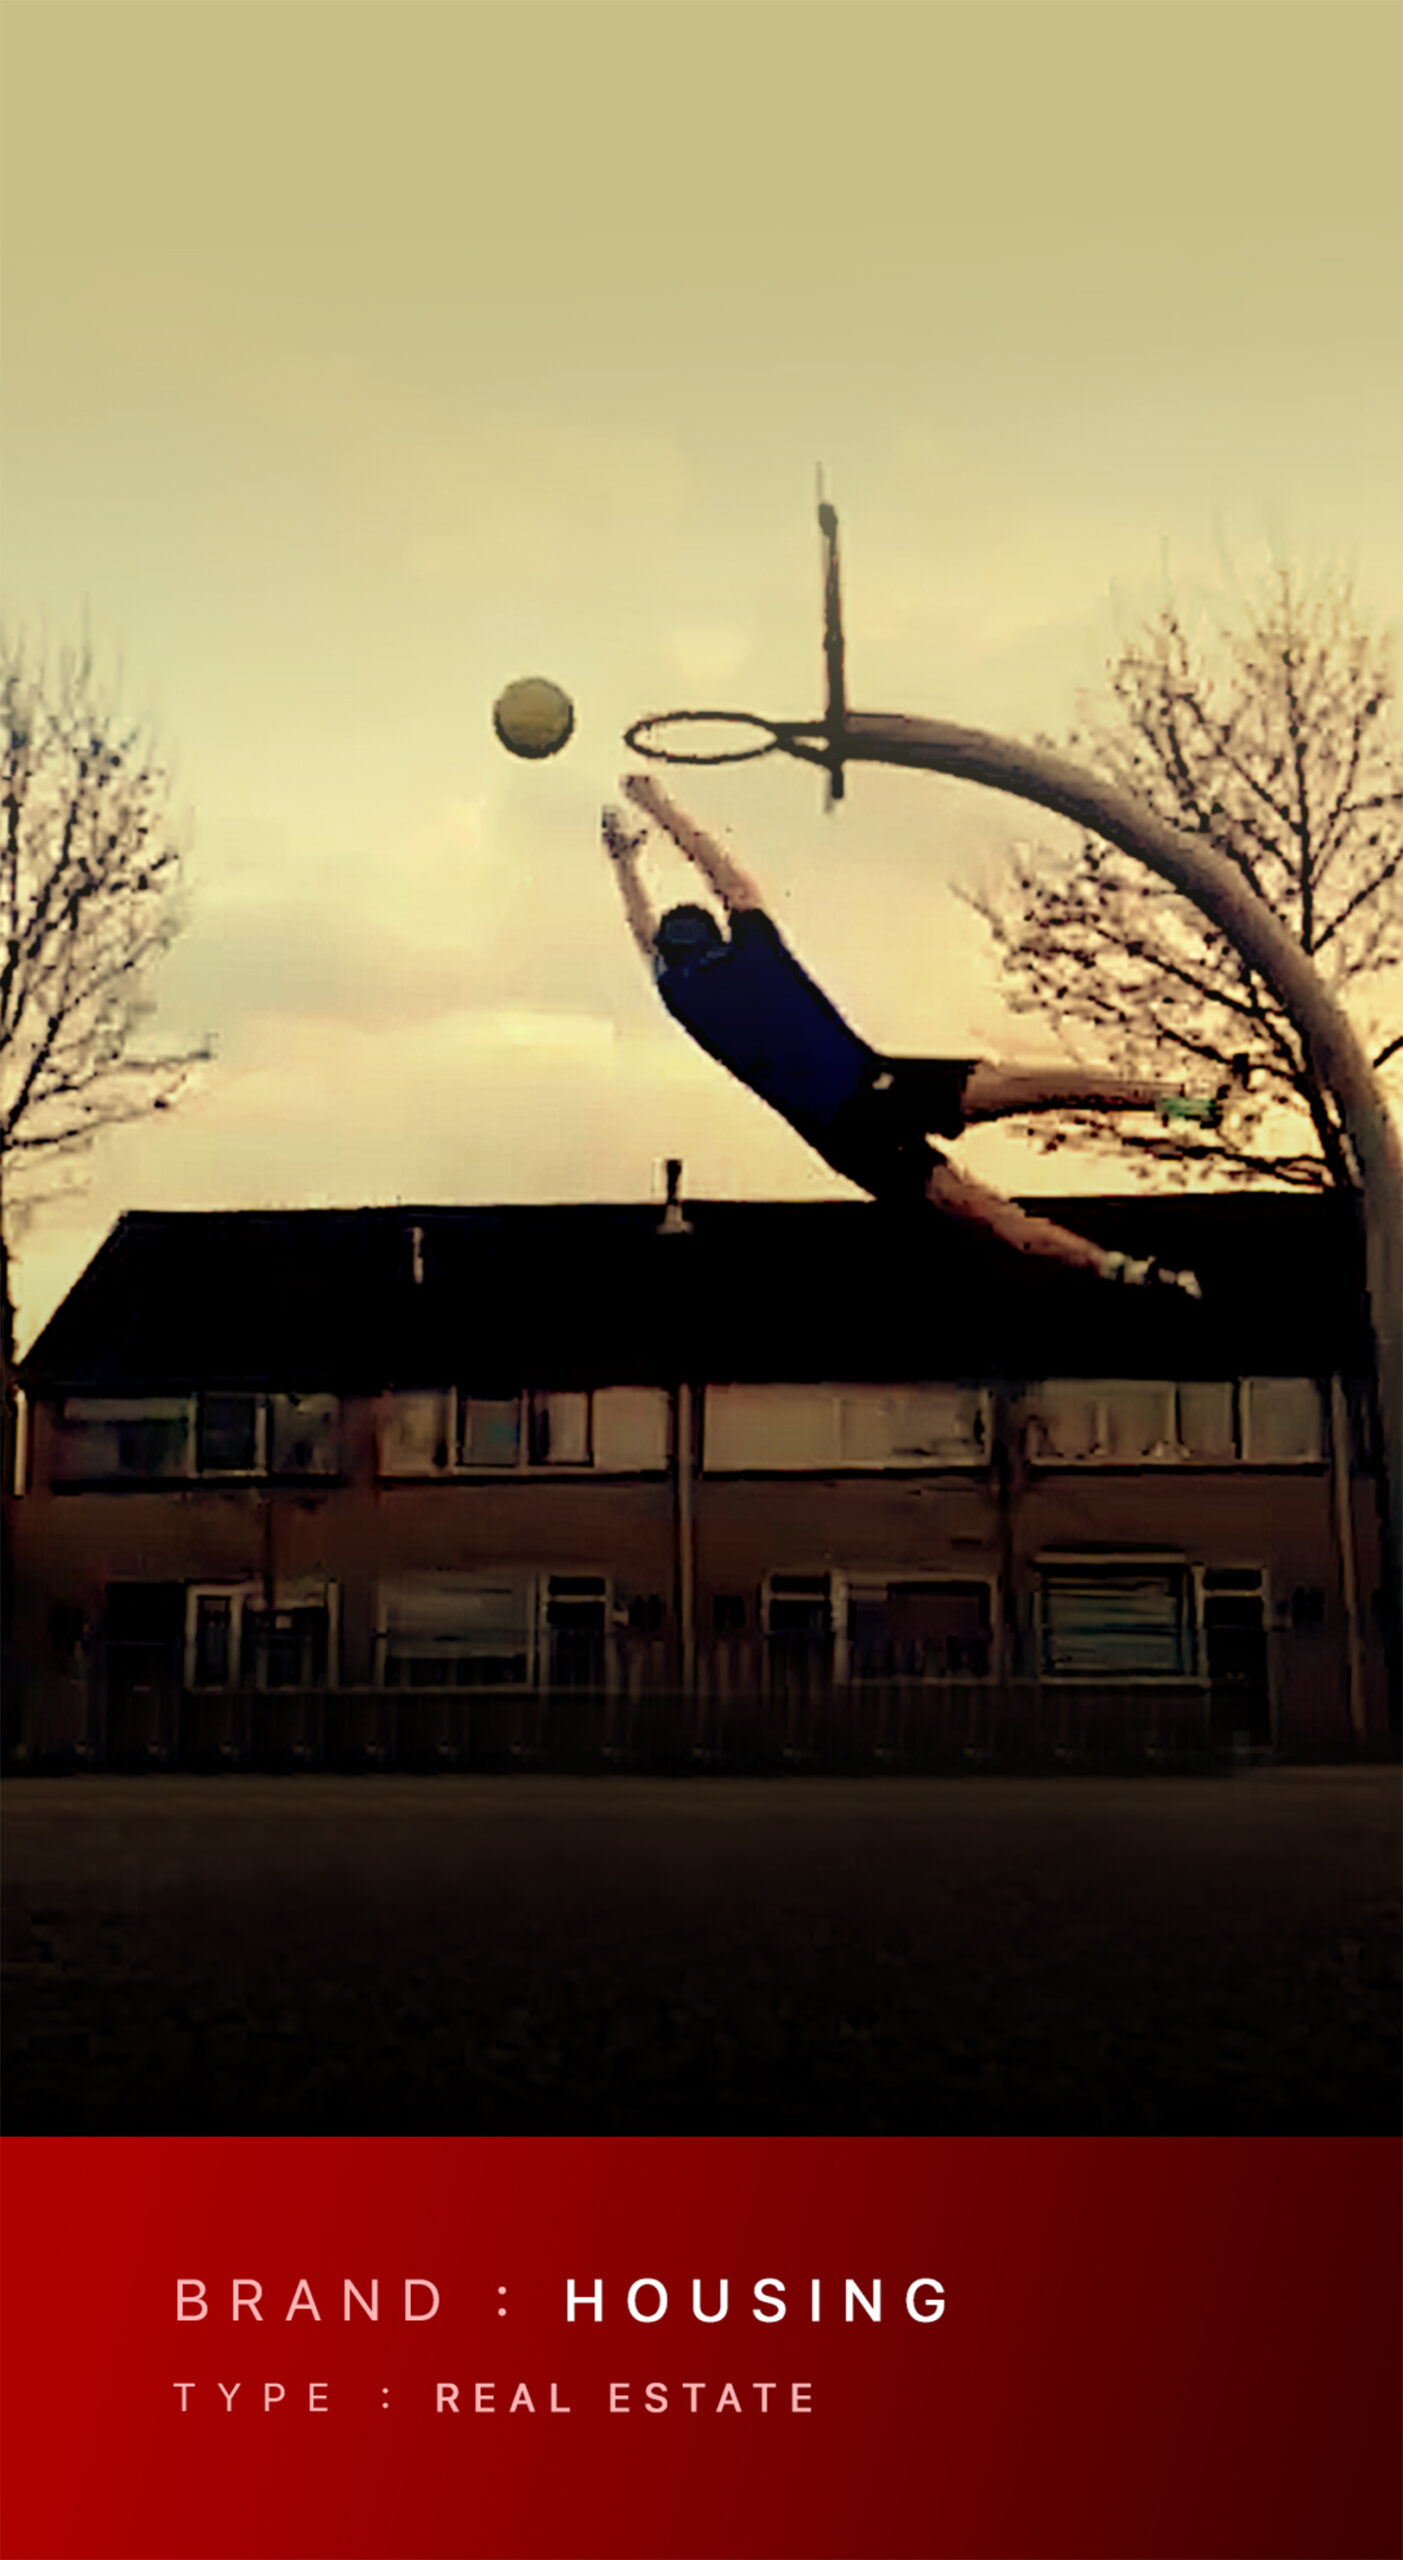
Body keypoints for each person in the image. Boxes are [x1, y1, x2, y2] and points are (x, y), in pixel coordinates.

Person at [604, 772, 1244, 1297]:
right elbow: (720, 872)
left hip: (843, 1136)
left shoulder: (680, 996)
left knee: (994, 1216)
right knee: (1037, 1088)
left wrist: (623, 863)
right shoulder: (755, 950)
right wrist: (659, 806)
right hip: (878, 1082)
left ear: (672, 953)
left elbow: (641, 930)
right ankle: (1180, 1103)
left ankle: (1128, 1271)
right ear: (716, 933)